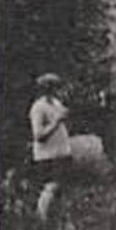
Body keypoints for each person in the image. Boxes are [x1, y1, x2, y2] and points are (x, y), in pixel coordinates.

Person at [28, 73, 72, 221]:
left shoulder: (56, 103)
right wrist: (56, 121)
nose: (57, 91)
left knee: (62, 189)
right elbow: (38, 135)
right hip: (47, 155)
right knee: (50, 187)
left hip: (61, 152)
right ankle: (41, 219)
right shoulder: (38, 108)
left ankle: (57, 221)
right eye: (53, 87)